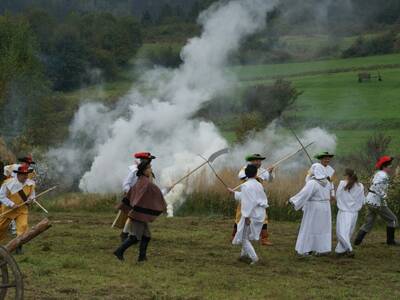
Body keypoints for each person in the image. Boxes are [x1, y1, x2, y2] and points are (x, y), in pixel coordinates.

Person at [113, 160, 166, 262]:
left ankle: (142, 257)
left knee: (146, 236)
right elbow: (158, 193)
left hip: (138, 214)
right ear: (144, 170)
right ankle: (119, 252)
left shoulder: (140, 181)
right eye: (149, 168)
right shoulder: (146, 184)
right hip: (138, 215)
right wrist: (167, 189)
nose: (151, 170)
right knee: (135, 237)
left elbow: (133, 195)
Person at [289, 164, 332, 257]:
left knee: (309, 228)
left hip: (314, 208)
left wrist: (293, 201)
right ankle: (321, 249)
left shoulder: (313, 183)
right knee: (321, 229)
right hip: (325, 208)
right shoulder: (328, 182)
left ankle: (305, 250)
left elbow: (304, 194)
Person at [229, 164, 268, 265]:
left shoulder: (245, 185)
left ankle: (255, 259)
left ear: (246, 174)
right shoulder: (258, 184)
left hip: (251, 215)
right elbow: (247, 197)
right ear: (256, 174)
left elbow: (248, 202)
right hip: (259, 213)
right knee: (245, 235)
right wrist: (234, 193)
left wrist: (247, 216)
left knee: (243, 238)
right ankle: (243, 256)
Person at [354, 156, 399, 246]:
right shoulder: (383, 175)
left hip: (370, 201)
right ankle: (390, 241)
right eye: (389, 167)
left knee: (368, 223)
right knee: (392, 220)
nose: (391, 168)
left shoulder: (377, 173)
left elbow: (372, 184)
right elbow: (375, 186)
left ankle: (357, 242)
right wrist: (384, 195)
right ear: (384, 167)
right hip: (377, 202)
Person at [231, 154, 274, 246]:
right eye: (257, 161)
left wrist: (270, 172)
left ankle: (264, 238)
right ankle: (234, 235)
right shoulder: (245, 169)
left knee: (264, 217)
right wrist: (254, 175)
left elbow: (270, 180)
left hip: (258, 197)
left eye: (260, 161)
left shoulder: (263, 170)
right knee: (240, 216)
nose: (259, 162)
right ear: (252, 161)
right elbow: (242, 176)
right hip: (246, 196)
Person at [113, 152, 156, 242]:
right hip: (133, 196)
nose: (150, 162)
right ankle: (126, 234)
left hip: (141, 197)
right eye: (149, 161)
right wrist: (131, 194)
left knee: (135, 217)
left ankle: (131, 234)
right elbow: (126, 184)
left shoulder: (149, 171)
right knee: (133, 216)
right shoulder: (135, 171)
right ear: (145, 161)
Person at [0, 164, 35, 253]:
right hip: (9, 209)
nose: (26, 176)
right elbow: (1, 196)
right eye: (24, 175)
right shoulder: (8, 183)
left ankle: (18, 246)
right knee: (1, 228)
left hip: (22, 210)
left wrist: (30, 200)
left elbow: (32, 196)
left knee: (23, 227)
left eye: (27, 174)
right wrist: (11, 204)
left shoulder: (30, 184)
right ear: (18, 175)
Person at [335, 169, 365, 257]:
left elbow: (337, 196)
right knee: (348, 232)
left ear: (347, 176)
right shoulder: (360, 186)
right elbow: (363, 200)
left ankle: (349, 249)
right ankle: (340, 250)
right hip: (354, 213)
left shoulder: (342, 184)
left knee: (341, 232)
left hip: (344, 212)